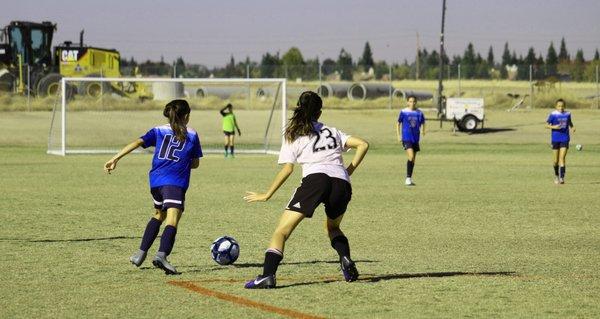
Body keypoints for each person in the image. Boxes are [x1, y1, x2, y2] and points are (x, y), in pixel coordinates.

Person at [243, 91, 369, 289]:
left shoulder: (293, 132)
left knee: (281, 232)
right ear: (319, 113)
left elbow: (288, 168)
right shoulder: (332, 131)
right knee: (333, 228)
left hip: (316, 180)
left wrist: (267, 194)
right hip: (341, 182)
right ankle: (345, 258)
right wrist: (348, 171)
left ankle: (267, 276)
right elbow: (363, 144)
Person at [104, 99, 202, 275]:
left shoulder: (158, 130)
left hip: (156, 182)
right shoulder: (192, 135)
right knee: (172, 220)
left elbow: (137, 142)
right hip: (175, 183)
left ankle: (140, 254)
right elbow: (195, 164)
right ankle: (162, 255)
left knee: (158, 215)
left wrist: (115, 158)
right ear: (187, 116)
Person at [396, 95, 426, 186]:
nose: (412, 103)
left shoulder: (419, 113)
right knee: (411, 156)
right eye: (410, 101)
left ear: (416, 102)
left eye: (414, 101)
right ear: (407, 102)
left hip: (415, 139)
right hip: (406, 138)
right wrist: (398, 135)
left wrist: (423, 131)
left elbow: (423, 123)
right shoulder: (404, 112)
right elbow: (398, 123)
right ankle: (408, 179)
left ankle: (409, 178)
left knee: (413, 160)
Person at [545, 98, 575, 184]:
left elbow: (569, 122)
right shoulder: (553, 114)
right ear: (556, 106)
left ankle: (562, 178)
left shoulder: (568, 114)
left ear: (564, 106)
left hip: (565, 138)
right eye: (559, 106)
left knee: (562, 158)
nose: (561, 108)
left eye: (562, 106)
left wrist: (572, 127)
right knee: (555, 161)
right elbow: (546, 125)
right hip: (555, 139)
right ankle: (556, 175)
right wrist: (554, 127)